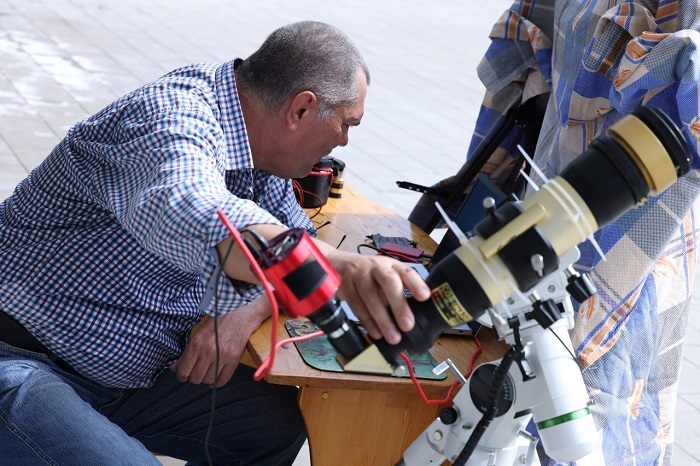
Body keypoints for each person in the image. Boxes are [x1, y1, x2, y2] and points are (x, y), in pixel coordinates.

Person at [0, 20, 429, 465]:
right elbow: (192, 210)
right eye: (346, 124)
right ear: (302, 109)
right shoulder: (170, 117)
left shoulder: (258, 141)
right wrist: (337, 266)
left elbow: (289, 236)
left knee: (271, 427)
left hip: (120, 373)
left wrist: (249, 307)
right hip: (23, 357)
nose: (344, 141)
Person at [456, 1, 699, 464]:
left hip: (639, 235)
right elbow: (527, 39)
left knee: (597, 405)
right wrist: (481, 180)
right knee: (524, 385)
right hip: (555, 198)